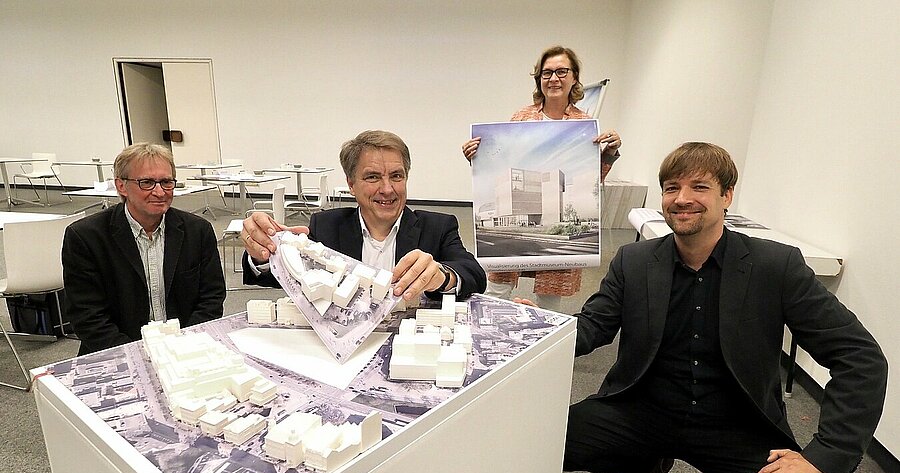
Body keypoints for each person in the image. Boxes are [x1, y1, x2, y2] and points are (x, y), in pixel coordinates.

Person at [556, 142, 887, 473]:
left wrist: (825, 456)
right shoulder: (634, 261)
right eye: (671, 187)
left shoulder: (775, 266)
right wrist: (535, 328)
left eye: (700, 186)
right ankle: (646, 461)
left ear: (727, 195)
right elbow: (593, 326)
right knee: (536, 445)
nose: (683, 198)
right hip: (643, 410)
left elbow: (860, 357)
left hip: (738, 427)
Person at [461, 45, 622, 306]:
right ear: (539, 79)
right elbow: (501, 165)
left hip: (555, 198)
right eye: (547, 73)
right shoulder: (521, 117)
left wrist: (609, 153)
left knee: (550, 299)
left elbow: (591, 181)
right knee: (497, 290)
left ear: (574, 78)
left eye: (561, 71)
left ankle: (544, 344)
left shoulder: (584, 124)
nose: (554, 78)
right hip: (523, 195)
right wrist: (477, 157)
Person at [242, 130, 486, 300]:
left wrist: (443, 276)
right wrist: (263, 252)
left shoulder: (438, 227)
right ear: (351, 184)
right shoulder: (327, 226)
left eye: (396, 176)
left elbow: (473, 274)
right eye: (372, 177)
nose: (387, 189)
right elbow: (280, 277)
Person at [62, 143, 225, 355]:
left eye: (166, 182)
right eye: (147, 182)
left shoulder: (198, 231)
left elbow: (211, 299)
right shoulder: (85, 237)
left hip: (186, 349)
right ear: (121, 186)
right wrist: (139, 355)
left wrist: (183, 346)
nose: (159, 192)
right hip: (116, 353)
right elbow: (88, 317)